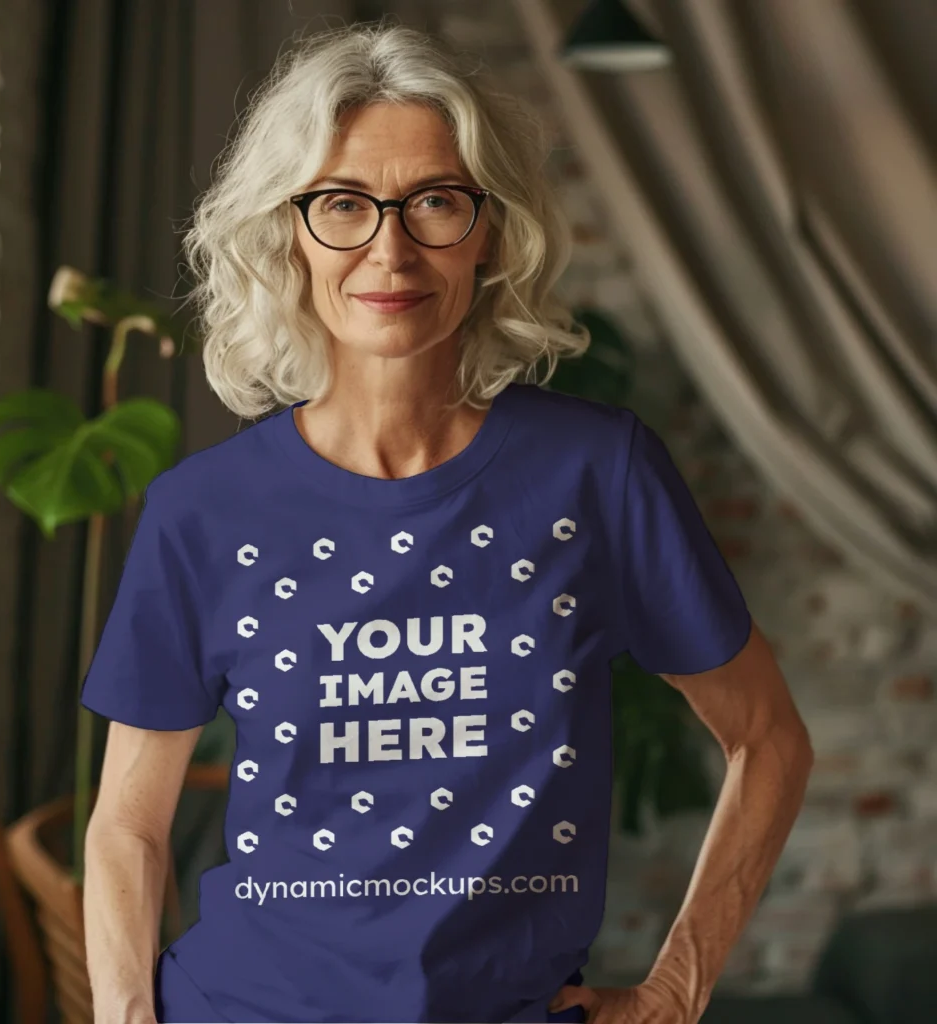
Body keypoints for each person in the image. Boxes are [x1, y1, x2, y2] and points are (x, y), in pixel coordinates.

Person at [79, 20, 813, 1024]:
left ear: (491, 232)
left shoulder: (596, 474)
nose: (389, 248)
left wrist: (680, 984)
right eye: (342, 204)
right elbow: (127, 826)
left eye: (433, 202)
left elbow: (768, 738)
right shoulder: (201, 512)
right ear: (290, 233)